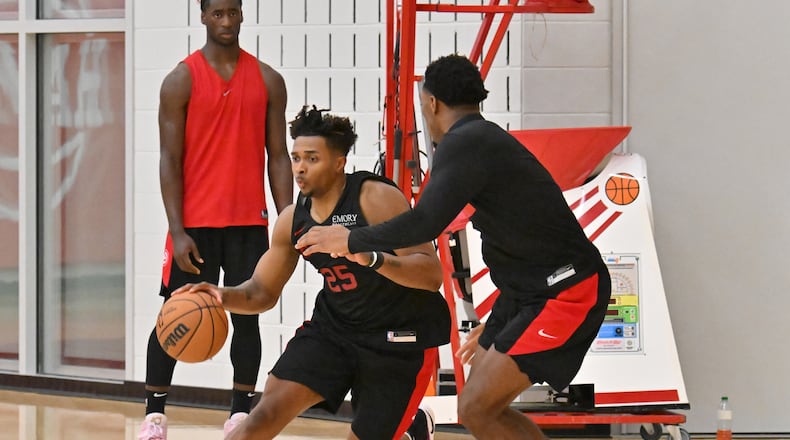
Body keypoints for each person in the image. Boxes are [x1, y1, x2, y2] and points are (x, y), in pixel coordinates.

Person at [296, 54, 612, 440]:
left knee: (477, 407)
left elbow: (425, 222)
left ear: (431, 103)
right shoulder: (481, 138)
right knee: (481, 407)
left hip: (565, 290)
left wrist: (351, 238)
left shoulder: (466, 141)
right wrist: (505, 313)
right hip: (528, 294)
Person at [174, 106, 450, 440]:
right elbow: (260, 291)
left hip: (397, 339)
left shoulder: (375, 198)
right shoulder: (293, 220)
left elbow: (431, 274)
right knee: (263, 415)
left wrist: (370, 257)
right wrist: (221, 296)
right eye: (295, 158)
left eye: (312, 159)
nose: (300, 169)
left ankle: (412, 428)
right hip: (335, 331)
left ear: (338, 162)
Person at [138, 0, 292, 438]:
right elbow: (169, 159)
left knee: (248, 317)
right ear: (203, 16)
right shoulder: (180, 80)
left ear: (242, 15)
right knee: (175, 312)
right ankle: (154, 415)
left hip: (249, 223)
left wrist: (287, 220)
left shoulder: (267, 80)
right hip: (196, 227)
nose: (226, 21)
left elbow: (278, 157)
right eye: (217, 13)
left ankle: (240, 413)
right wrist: (176, 229)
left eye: (233, 12)